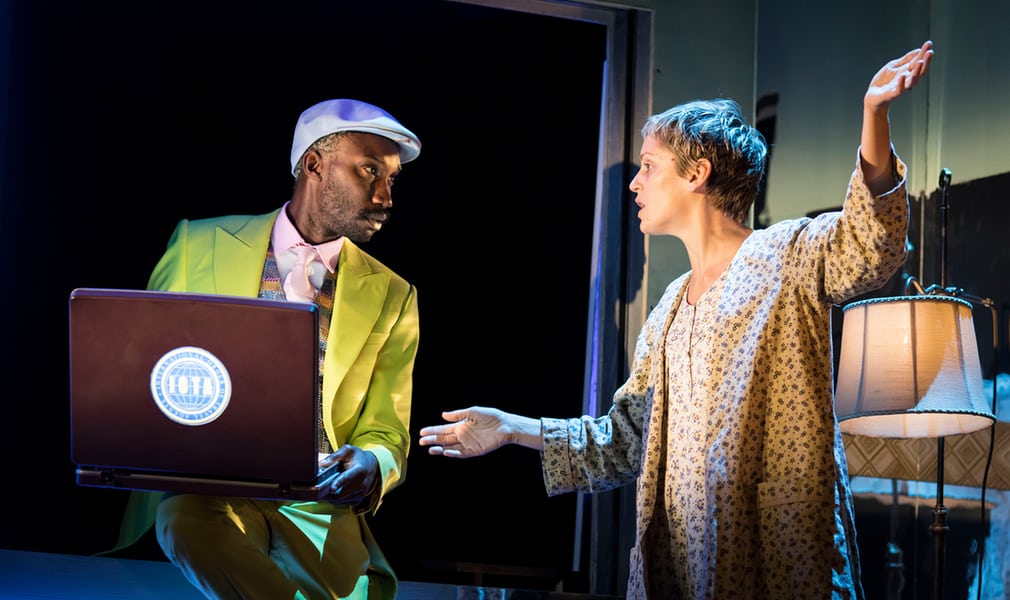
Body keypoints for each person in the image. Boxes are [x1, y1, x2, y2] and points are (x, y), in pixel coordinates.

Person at [419, 41, 934, 599]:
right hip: (682, 572)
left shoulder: (787, 254)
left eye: (649, 166)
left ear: (698, 174)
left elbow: (871, 245)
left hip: (772, 559)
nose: (635, 183)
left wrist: (874, 117)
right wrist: (511, 428)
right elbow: (624, 441)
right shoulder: (668, 308)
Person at [109, 98, 422, 600]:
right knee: (185, 519)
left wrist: (372, 462)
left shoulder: (393, 294)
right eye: (370, 171)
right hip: (208, 489)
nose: (386, 196)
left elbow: (388, 430)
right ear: (314, 165)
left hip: (318, 504)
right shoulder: (198, 244)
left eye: (392, 179)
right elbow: (140, 371)